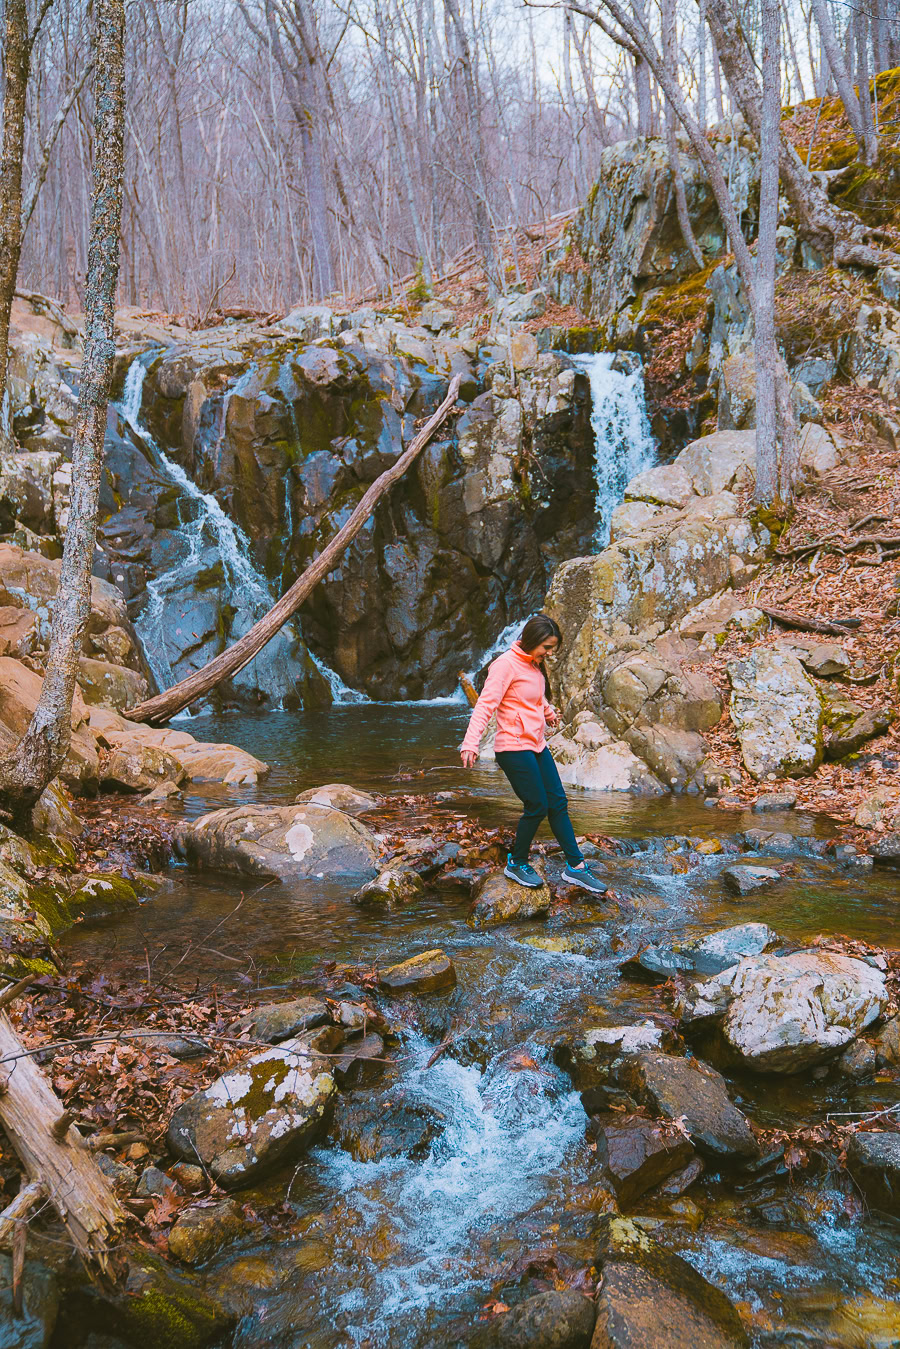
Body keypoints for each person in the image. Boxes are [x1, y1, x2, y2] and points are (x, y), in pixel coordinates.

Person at [459, 614, 606, 894]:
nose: (549, 654)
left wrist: (548, 713)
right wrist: (470, 743)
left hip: (536, 744)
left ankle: (575, 868)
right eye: (547, 648)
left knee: (558, 802)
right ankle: (516, 862)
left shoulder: (533, 664)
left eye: (552, 649)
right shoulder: (504, 665)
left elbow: (534, 697)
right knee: (537, 805)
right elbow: (485, 706)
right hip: (512, 748)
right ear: (532, 641)